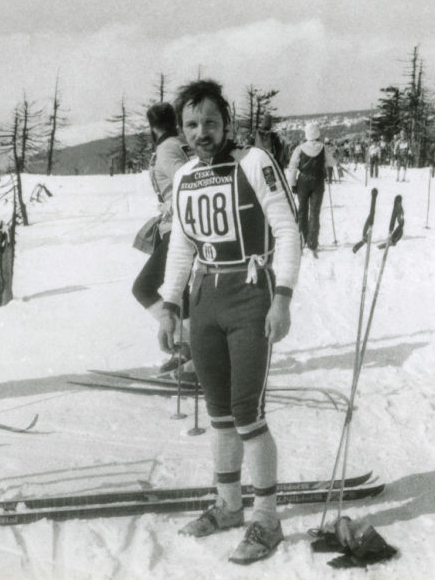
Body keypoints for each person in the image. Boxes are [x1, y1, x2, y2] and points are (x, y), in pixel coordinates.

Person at [156, 79, 300, 565]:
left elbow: (287, 230)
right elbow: (181, 244)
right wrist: (171, 303)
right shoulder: (183, 177)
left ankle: (266, 519)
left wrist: (282, 299)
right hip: (206, 296)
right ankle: (228, 505)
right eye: (192, 124)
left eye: (211, 123)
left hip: (249, 293)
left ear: (227, 123)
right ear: (181, 130)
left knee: (246, 411)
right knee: (218, 410)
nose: (202, 132)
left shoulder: (254, 162)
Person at [131, 103, 191, 372]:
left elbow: (187, 180)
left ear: (153, 127)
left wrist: (171, 206)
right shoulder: (176, 144)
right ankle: (188, 350)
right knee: (183, 291)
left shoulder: (167, 149)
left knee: (143, 287)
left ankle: (186, 347)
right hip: (179, 226)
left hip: (179, 227)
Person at [286, 122, 336, 254]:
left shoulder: (300, 148)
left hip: (303, 181)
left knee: (302, 210)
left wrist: (292, 183)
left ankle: (302, 239)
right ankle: (313, 242)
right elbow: (332, 162)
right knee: (315, 212)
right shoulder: (323, 148)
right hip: (318, 181)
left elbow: (292, 167)